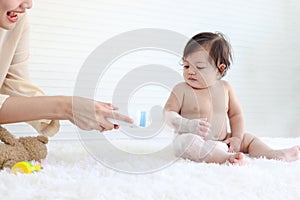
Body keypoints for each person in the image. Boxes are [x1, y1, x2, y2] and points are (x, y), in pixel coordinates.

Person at [164, 31, 300, 165]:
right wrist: (186, 124)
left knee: (249, 139)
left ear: (220, 69)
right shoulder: (182, 89)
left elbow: (236, 115)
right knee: (187, 142)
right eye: (186, 65)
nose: (190, 71)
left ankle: (272, 154)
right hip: (195, 140)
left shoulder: (225, 88)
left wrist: (236, 137)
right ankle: (225, 158)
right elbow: (167, 113)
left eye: (199, 67)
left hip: (223, 141)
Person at [0, 0, 133, 136]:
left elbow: (17, 87)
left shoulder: (17, 20)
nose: (28, 4)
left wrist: (88, 111)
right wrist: (66, 107)